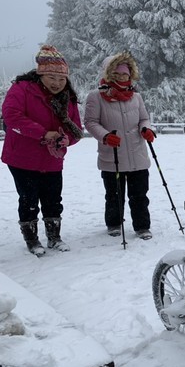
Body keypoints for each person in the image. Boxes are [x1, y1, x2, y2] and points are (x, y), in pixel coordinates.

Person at [1, 45, 83, 256]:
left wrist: (66, 140)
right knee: (28, 198)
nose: (57, 83)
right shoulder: (22, 89)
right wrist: (42, 133)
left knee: (53, 198)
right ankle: (32, 239)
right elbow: (11, 116)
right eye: (51, 77)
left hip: (52, 158)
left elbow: (75, 128)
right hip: (22, 157)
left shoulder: (68, 97)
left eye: (61, 79)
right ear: (40, 74)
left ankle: (54, 238)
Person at [84, 51, 156, 240]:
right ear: (108, 75)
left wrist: (145, 129)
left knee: (140, 195)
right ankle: (114, 223)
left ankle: (142, 226)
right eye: (117, 74)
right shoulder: (96, 97)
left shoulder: (136, 97)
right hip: (112, 155)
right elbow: (91, 122)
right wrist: (105, 136)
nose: (122, 78)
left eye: (125, 74)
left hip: (137, 155)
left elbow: (144, 118)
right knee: (114, 194)